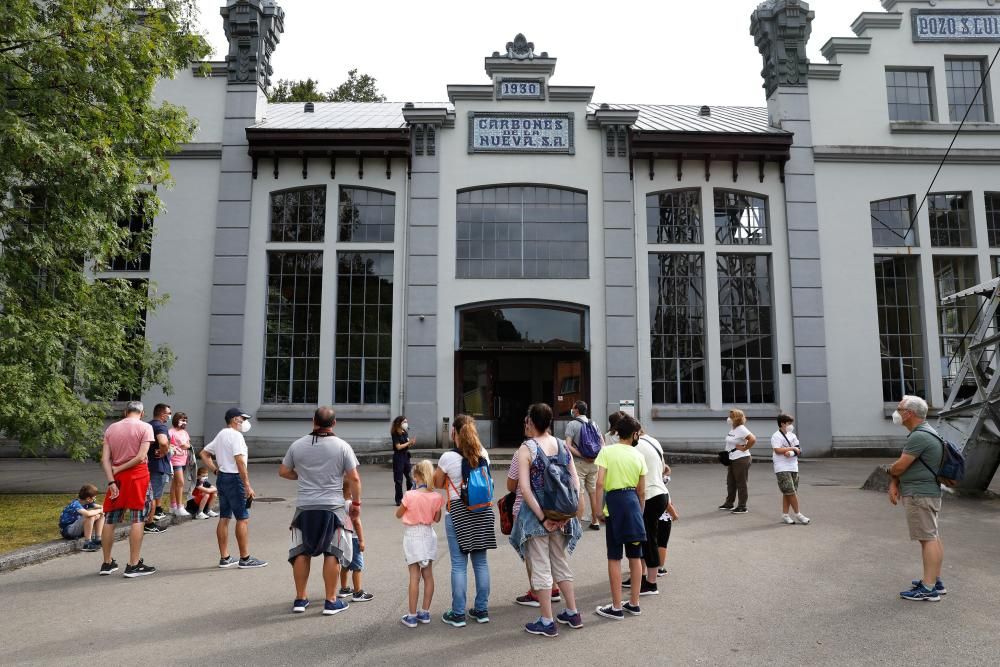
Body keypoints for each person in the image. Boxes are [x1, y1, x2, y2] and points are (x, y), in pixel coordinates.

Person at [279, 406, 362, 615]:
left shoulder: (297, 445)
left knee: (301, 551)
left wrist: (301, 477)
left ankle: (300, 599)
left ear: (313, 421)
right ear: (334, 424)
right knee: (332, 552)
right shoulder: (342, 446)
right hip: (333, 508)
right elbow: (354, 478)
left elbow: (283, 471)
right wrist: (357, 505)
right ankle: (331, 601)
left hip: (304, 507)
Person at [511, 403, 583, 637]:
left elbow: (524, 487)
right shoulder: (562, 445)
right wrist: (567, 514)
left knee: (541, 567)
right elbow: (575, 481)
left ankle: (546, 620)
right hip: (562, 515)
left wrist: (542, 518)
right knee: (560, 563)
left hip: (536, 517)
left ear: (531, 421)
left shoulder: (526, 448)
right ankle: (572, 612)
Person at [433, 414, 496, 628]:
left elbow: (438, 482)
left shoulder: (448, 458)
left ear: (454, 433)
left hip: (458, 511)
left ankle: (458, 613)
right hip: (483, 510)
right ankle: (481, 610)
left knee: (459, 565)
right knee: (481, 562)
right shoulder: (483, 453)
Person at [888, 395, 947, 602]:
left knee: (927, 538)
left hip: (919, 494)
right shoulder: (926, 432)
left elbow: (900, 466)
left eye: (899, 408)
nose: (896, 412)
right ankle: (935, 581)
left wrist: (890, 471)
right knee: (932, 536)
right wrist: (895, 482)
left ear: (909, 413)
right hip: (926, 492)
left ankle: (929, 588)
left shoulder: (918, 436)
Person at [594, 414, 647, 620]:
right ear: (634, 434)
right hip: (632, 503)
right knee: (635, 556)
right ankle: (634, 603)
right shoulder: (638, 455)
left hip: (614, 503)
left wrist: (598, 510)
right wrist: (639, 511)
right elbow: (641, 491)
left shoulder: (607, 451)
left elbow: (599, 483)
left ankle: (616, 606)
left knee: (614, 556)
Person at [200, 407, 267, 570]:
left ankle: (225, 557)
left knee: (224, 517)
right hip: (235, 478)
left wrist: (215, 469)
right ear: (235, 419)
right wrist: (247, 485)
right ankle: (245, 558)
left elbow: (204, 453)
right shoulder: (236, 436)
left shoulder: (222, 434)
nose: (245, 422)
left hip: (223, 477)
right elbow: (240, 462)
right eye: (243, 419)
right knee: (242, 518)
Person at [98, 401, 157, 578]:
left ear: (125, 412)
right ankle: (133, 564)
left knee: (110, 518)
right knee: (138, 517)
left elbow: (105, 459)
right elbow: (140, 457)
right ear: (142, 412)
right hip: (138, 476)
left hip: (116, 478)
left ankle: (107, 562)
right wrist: (122, 468)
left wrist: (111, 480)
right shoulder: (145, 427)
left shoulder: (111, 429)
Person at [507, 450, 562, 608]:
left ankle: (536, 592)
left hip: (528, 511)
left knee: (533, 555)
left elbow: (511, 485)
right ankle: (553, 589)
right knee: (552, 552)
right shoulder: (558, 447)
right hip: (554, 507)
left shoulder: (522, 452)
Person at [396, 460, 445, 628]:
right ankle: (425, 612)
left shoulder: (410, 496)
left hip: (413, 535)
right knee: (428, 575)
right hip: (428, 534)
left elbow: (398, 514)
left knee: (414, 577)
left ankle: (411, 615)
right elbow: (437, 519)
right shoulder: (437, 496)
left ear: (416, 477)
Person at [622, 426, 668, 596]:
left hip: (649, 496)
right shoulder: (653, 441)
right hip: (660, 493)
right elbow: (664, 468)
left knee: (648, 540)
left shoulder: (636, 446)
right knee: (645, 538)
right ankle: (640, 577)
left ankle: (651, 583)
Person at [564, 400, 603, 531]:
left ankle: (578, 524)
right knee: (592, 492)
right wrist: (594, 457)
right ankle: (595, 520)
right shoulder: (594, 423)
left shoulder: (572, 424)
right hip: (594, 463)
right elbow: (602, 444)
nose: (572, 410)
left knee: (579, 493)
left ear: (576, 410)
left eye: (573, 408)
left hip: (579, 463)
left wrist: (582, 455)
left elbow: (568, 445)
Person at [771, 413, 810, 525]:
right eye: (789, 423)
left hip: (793, 466)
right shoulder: (776, 436)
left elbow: (799, 450)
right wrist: (792, 448)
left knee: (788, 492)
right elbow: (777, 450)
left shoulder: (792, 435)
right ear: (782, 423)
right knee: (790, 491)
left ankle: (785, 515)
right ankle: (798, 514)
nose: (790, 425)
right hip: (781, 467)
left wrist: (791, 452)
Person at [719, 409, 755, 514]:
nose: (728, 419)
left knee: (741, 483)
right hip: (732, 458)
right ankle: (729, 503)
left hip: (741, 459)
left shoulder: (741, 429)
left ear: (736, 418)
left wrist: (744, 448)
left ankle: (742, 506)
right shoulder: (733, 429)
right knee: (731, 482)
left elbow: (752, 439)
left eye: (731, 416)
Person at [144, 403, 173, 532]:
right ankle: (149, 523)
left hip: (148, 464)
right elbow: (162, 442)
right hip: (158, 466)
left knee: (149, 494)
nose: (169, 416)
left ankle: (148, 518)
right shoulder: (161, 426)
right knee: (154, 496)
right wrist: (165, 451)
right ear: (162, 414)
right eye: (168, 413)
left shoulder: (148, 425)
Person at [337, 510, 374, 603]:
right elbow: (356, 522)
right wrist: (361, 540)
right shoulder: (351, 505)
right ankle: (357, 593)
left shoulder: (340, 503)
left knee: (345, 564)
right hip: (353, 538)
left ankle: (344, 589)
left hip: (343, 537)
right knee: (357, 567)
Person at [59, 484, 105, 551]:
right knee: (90, 516)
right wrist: (99, 510)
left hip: (78, 529)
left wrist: (101, 510)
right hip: (68, 530)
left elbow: (102, 507)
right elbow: (87, 513)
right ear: (88, 499)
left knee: (100, 514)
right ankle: (87, 543)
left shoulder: (88, 502)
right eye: (94, 497)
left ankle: (98, 539)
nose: (95, 499)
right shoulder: (75, 504)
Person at [168, 412, 192, 517]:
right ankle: (180, 507)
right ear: (176, 420)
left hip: (184, 459)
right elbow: (168, 445)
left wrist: (186, 446)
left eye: (185, 420)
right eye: (182, 420)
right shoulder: (170, 432)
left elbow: (188, 444)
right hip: (175, 460)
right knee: (181, 483)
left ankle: (172, 506)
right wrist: (181, 446)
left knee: (175, 483)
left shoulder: (184, 432)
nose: (184, 422)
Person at [391, 415, 415, 506]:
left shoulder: (405, 432)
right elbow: (398, 446)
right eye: (404, 422)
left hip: (406, 456)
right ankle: (399, 499)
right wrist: (408, 443)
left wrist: (410, 443)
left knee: (410, 477)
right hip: (398, 457)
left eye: (406, 421)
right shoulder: (395, 433)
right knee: (398, 479)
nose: (406, 423)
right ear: (399, 423)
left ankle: (409, 497)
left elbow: (406, 445)